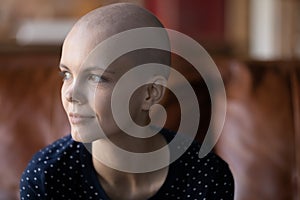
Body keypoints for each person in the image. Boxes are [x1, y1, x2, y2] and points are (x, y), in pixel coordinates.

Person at [20, 3, 234, 200]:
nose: (70, 94)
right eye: (66, 74)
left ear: (150, 93)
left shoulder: (206, 178)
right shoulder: (47, 178)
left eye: (96, 78)